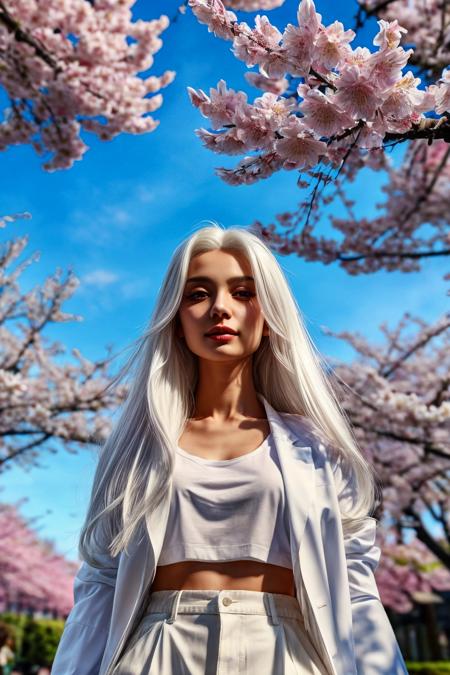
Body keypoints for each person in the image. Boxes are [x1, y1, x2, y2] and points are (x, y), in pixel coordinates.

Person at [51, 224, 409, 675]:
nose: (220, 308)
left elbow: (355, 583)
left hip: (287, 649)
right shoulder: (137, 448)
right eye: (198, 294)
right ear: (176, 319)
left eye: (243, 293)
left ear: (269, 313)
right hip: (157, 649)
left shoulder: (317, 447)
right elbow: (101, 579)